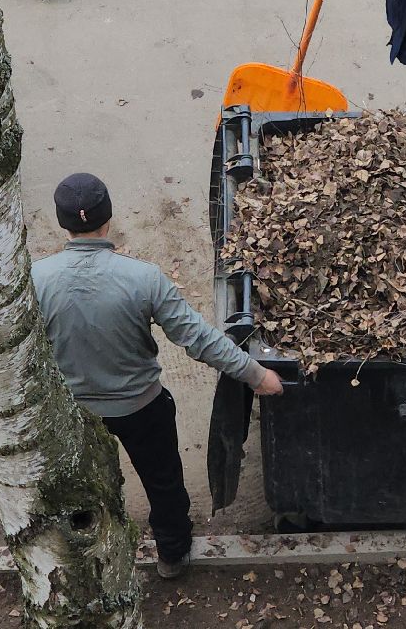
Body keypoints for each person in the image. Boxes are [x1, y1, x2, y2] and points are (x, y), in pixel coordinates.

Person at [30, 173, 282, 578]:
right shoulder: (143, 279)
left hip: (73, 413)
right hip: (141, 408)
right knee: (163, 482)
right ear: (107, 218)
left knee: (77, 487)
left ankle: (83, 557)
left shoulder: (35, 279)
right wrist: (255, 374)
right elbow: (198, 339)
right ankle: (172, 553)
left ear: (63, 223)